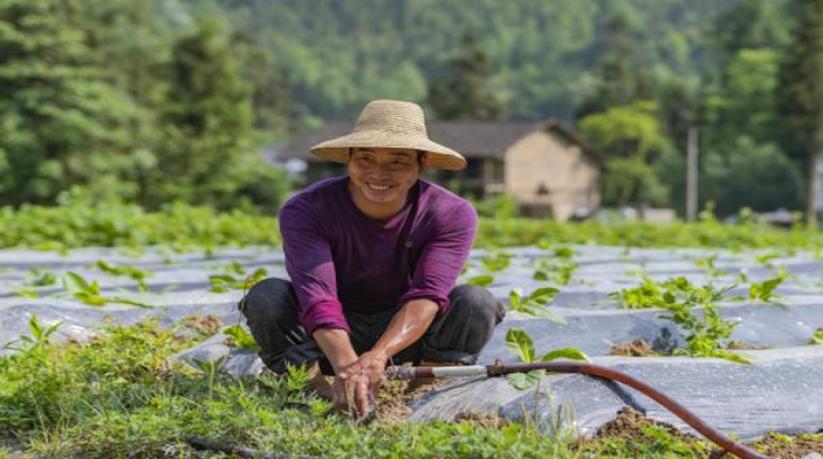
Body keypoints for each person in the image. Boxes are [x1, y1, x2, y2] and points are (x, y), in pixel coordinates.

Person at [238, 99, 505, 419]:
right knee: (267, 296)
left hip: (406, 338)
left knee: (476, 302)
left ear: (421, 164)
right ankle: (320, 390)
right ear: (349, 160)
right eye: (366, 158)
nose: (378, 173)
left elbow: (426, 297)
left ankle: (419, 393)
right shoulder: (307, 210)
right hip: (330, 338)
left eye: (397, 161)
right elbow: (318, 299)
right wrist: (349, 369)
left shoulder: (450, 213)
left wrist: (379, 356)